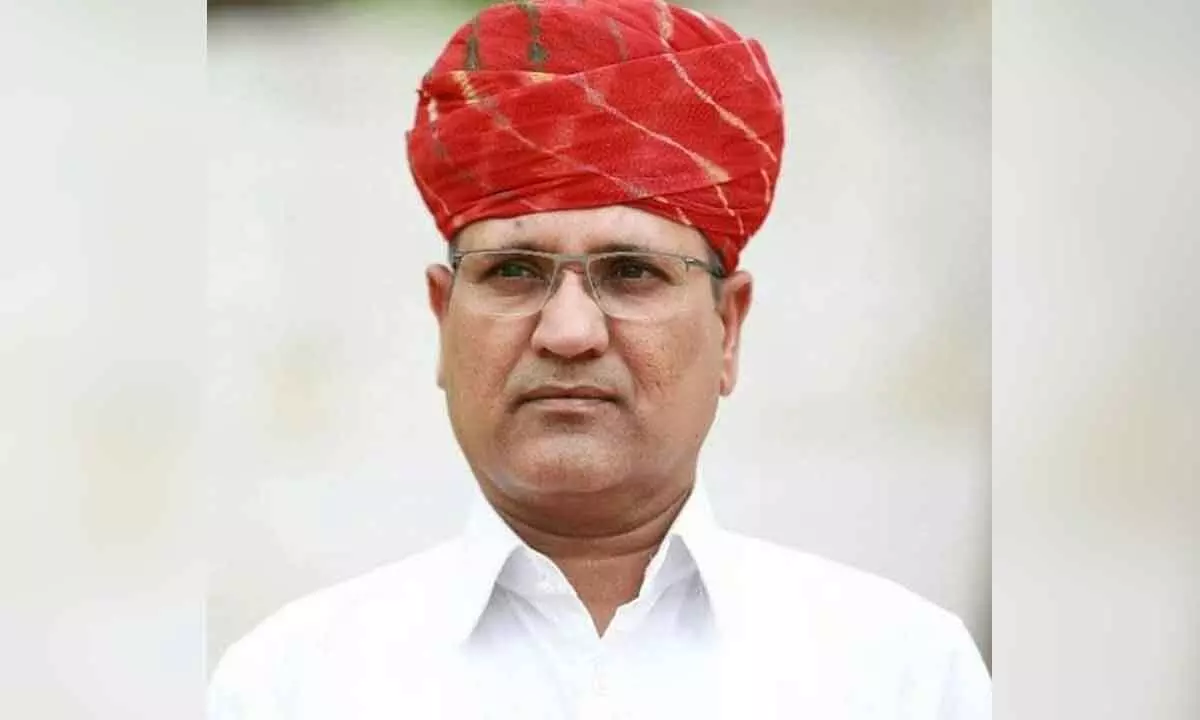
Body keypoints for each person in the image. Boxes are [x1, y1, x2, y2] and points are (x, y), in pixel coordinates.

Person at [208, 1, 991, 718]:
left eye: (632, 272)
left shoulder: (905, 676)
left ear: (729, 327)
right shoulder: (289, 686)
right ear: (444, 319)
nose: (569, 331)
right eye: (514, 271)